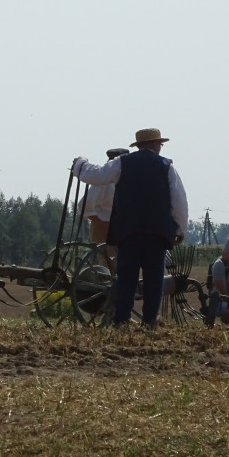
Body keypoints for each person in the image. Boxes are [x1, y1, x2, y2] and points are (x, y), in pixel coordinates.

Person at [72, 127, 188, 328]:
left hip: (129, 231)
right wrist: (179, 230)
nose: (160, 147)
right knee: (154, 278)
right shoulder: (167, 166)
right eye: (160, 143)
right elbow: (179, 202)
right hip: (157, 231)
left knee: (127, 276)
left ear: (139, 145)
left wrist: (80, 164)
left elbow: (97, 175)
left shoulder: (122, 163)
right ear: (153, 144)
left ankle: (122, 319)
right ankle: (150, 320)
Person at [84, 147, 129, 252]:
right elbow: (84, 205)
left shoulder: (125, 181)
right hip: (103, 229)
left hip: (120, 229)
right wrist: (102, 224)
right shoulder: (103, 182)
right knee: (108, 263)